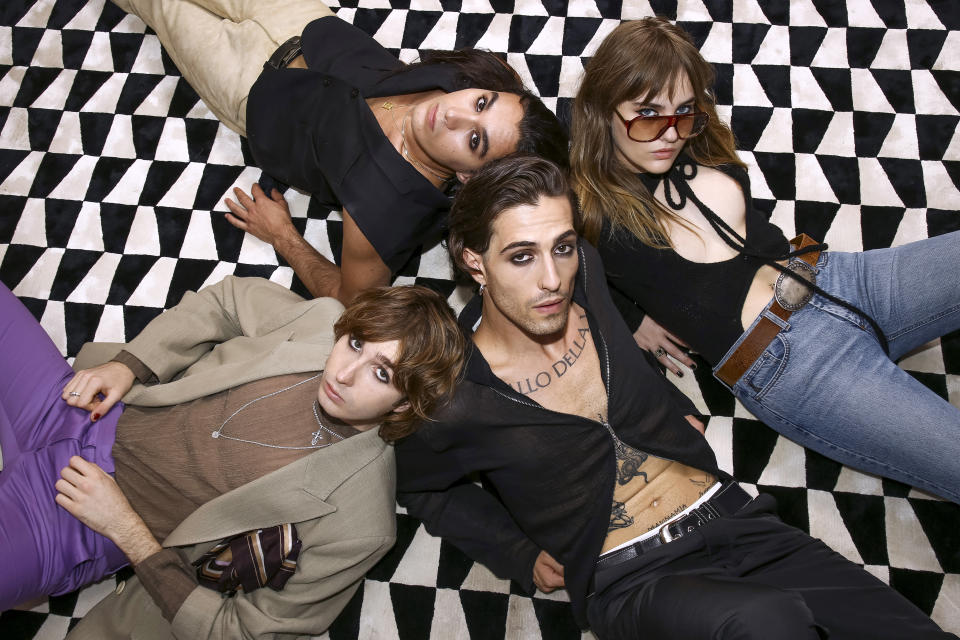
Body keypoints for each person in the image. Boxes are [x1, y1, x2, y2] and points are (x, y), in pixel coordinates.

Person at [394, 156, 955, 639]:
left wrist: (653, 400)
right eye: (521, 256)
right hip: (633, 577)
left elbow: (618, 339)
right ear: (474, 261)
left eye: (562, 246)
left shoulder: (586, 272)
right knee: (766, 623)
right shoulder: (454, 394)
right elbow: (421, 488)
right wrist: (514, 553)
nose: (551, 280)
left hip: (739, 522)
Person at [570, 17, 960, 503]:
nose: (670, 133)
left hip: (841, 278)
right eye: (648, 114)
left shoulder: (700, 142)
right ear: (601, 110)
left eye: (685, 110)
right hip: (792, 362)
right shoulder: (584, 207)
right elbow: (539, 282)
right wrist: (630, 317)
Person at [0, 276, 464, 640]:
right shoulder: (319, 322)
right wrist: (130, 365)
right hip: (80, 406)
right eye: (357, 344)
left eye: (381, 374)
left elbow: (239, 631)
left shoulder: (360, 526)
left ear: (406, 404)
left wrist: (127, 532)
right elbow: (226, 301)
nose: (343, 373)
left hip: (73, 518)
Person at [110, 0, 569, 304]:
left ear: (470, 177)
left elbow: (353, 303)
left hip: (248, 85)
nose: (454, 114)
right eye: (481, 104)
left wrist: (284, 237)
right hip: (300, 19)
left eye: (475, 141)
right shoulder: (468, 81)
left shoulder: (385, 213)